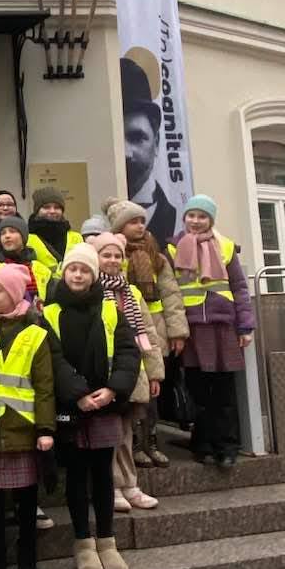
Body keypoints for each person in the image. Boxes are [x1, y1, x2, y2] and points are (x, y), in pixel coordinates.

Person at [43, 243, 140, 569]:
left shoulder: (110, 310)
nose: (78, 275)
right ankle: (83, 544)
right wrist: (79, 395)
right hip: (72, 407)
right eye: (73, 269)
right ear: (64, 273)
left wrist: (113, 389)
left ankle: (107, 542)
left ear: (93, 275)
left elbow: (128, 353)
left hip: (105, 405)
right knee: (76, 476)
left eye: (85, 270)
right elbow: (52, 359)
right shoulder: (49, 313)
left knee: (102, 474)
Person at [0, 264, 55, 569]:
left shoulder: (35, 332)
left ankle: (28, 563)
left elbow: (44, 386)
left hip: (23, 430)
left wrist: (46, 428)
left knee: (27, 505)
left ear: (13, 295)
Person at [168, 195, 255, 467]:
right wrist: (175, 331)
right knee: (198, 391)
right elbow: (169, 292)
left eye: (202, 216)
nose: (196, 221)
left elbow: (239, 288)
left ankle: (227, 447)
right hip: (192, 329)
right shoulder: (171, 248)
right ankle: (203, 445)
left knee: (224, 391)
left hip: (222, 327)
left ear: (211, 220)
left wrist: (245, 325)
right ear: (184, 218)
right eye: (191, 215)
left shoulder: (226, 246)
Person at [103, 197, 189, 468]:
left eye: (142, 221)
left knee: (153, 388)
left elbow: (171, 295)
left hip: (154, 331)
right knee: (131, 389)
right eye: (133, 221)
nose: (140, 226)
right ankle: (134, 446)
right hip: (124, 330)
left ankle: (151, 441)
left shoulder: (156, 256)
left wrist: (177, 331)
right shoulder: (113, 254)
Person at [91, 232, 163, 512]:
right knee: (110, 433)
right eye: (106, 255)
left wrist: (154, 372)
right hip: (106, 372)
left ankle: (130, 485)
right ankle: (113, 486)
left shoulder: (131, 292)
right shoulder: (93, 290)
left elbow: (148, 333)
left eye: (117, 255)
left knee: (126, 432)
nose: (112, 260)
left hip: (134, 371)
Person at [121, 57, 177, 248]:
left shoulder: (173, 214)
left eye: (136, 137)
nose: (126, 153)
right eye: (116, 140)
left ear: (157, 142)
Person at [0, 215, 51, 306]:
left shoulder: (40, 268)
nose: (7, 236)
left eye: (12, 231)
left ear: (23, 237)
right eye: (3, 233)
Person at [27, 188, 84, 275]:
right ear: (37, 211)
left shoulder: (76, 237)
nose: (52, 211)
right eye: (46, 207)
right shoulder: (28, 239)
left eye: (57, 207)